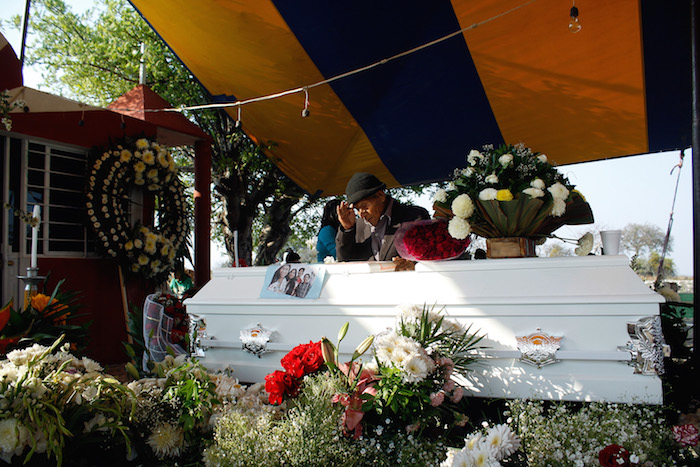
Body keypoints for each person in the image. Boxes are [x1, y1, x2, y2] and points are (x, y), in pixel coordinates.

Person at [336, 172, 429, 270]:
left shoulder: (414, 217)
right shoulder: (358, 225)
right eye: (357, 209)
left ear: (380, 196)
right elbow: (345, 262)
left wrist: (413, 264)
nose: (361, 214)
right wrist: (347, 228)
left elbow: (428, 254)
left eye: (364, 206)